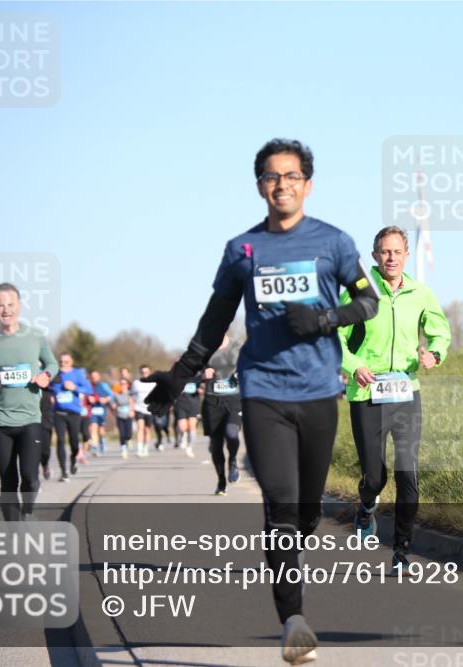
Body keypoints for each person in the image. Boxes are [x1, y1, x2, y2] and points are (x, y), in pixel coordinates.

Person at [144, 139, 379, 665]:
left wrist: (324, 319)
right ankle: (293, 621)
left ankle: (292, 550)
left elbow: (368, 302)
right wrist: (179, 376)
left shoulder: (334, 242)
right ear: (259, 187)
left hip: (318, 392)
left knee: (307, 513)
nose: (282, 185)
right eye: (272, 176)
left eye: (292, 176)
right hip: (264, 391)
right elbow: (215, 321)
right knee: (281, 504)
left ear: (308, 185)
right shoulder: (242, 250)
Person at [336, 226, 451, 570]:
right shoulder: (358, 292)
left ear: (406, 255)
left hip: (406, 393)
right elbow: (333, 337)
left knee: (407, 474)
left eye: (397, 252)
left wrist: (434, 353)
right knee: (375, 477)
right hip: (367, 393)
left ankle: (401, 551)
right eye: (385, 252)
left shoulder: (420, 293)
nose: (391, 258)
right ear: (375, 256)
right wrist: (354, 366)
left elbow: (440, 331)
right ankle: (367, 506)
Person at [0, 283, 58, 520]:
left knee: (30, 477)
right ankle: (14, 532)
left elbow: (52, 363)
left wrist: (46, 376)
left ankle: (27, 511)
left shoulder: (35, 337)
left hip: (30, 418)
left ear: (19, 306)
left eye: (10, 304)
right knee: (8, 482)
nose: (6, 310)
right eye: (0, 305)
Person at [201, 336, 244, 495]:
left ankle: (232, 460)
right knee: (216, 444)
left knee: (232, 433)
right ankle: (221, 481)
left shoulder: (237, 346)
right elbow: (190, 372)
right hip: (212, 401)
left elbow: (250, 365)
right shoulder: (204, 348)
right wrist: (202, 374)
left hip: (233, 398)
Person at [50, 352, 93, 480]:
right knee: (60, 440)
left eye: (66, 362)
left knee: (74, 442)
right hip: (58, 413)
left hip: (74, 413)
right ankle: (63, 471)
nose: (63, 364)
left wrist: (75, 388)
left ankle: (73, 460)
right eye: (61, 362)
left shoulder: (77, 374)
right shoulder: (55, 374)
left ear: (71, 362)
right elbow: (47, 387)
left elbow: (89, 390)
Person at [87, 370, 114, 455]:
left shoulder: (103, 385)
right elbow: (84, 395)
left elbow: (111, 395)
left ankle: (102, 440)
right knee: (93, 428)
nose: (94, 378)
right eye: (92, 377)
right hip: (92, 410)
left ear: (99, 377)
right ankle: (95, 447)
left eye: (95, 377)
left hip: (102, 409)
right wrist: (89, 398)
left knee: (101, 429)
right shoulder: (88, 386)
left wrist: (105, 399)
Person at [173, 376, 201, 458]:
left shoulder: (197, 378)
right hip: (180, 404)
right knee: (182, 427)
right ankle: (184, 436)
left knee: (192, 426)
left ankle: (190, 447)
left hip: (193, 404)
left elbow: (203, 388)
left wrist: (201, 390)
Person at [130, 365, 155, 457]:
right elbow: (131, 396)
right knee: (140, 428)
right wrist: (132, 408)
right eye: (143, 372)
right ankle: (139, 449)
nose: (144, 374)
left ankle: (145, 448)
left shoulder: (154, 383)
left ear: (149, 372)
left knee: (147, 430)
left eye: (146, 372)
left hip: (149, 409)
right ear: (140, 373)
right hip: (138, 408)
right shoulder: (136, 383)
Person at [112, 377, 136, 459]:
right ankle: (124, 449)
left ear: (128, 385)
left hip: (128, 416)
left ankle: (129, 440)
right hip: (119, 416)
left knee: (128, 434)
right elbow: (113, 404)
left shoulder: (130, 394)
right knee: (122, 434)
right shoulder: (117, 395)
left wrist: (132, 411)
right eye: (121, 384)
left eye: (124, 384)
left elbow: (132, 403)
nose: (122, 385)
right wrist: (114, 406)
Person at [38, 386, 54, 480]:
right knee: (32, 446)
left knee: (45, 448)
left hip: (45, 418)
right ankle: (33, 475)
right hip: (29, 417)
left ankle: (45, 464)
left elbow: (57, 380)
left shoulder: (48, 387)